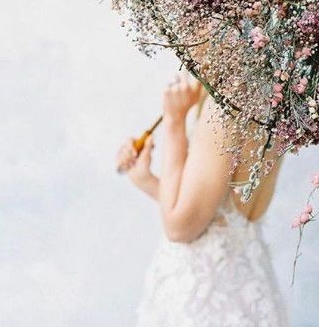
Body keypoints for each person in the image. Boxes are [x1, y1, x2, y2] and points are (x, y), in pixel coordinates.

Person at [116, 71, 289, 327]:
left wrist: (175, 121)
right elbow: (214, 211)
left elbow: (180, 226)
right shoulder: (274, 94)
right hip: (247, 293)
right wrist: (148, 182)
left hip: (205, 304)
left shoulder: (226, 106)